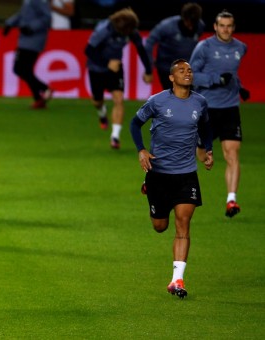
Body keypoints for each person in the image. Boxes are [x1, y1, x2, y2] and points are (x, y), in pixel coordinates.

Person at [129, 59, 214, 299]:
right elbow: (135, 124)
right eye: (181, 71)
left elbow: (206, 126)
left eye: (189, 70)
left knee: (183, 224)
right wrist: (141, 150)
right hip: (159, 172)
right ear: (171, 77)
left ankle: (177, 279)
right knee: (160, 226)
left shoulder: (200, 102)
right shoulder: (157, 101)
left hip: (186, 174)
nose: (187, 73)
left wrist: (207, 149)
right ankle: (149, 188)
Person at [189, 10, 248, 218]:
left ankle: (231, 200)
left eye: (229, 26)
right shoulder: (204, 47)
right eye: (222, 26)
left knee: (232, 153)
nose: (226, 29)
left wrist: (239, 87)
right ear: (215, 27)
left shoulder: (240, 48)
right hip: (208, 109)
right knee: (202, 155)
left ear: (233, 27)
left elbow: (232, 74)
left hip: (231, 108)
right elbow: (191, 75)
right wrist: (215, 79)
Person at [85, 7, 153, 149]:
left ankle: (115, 137)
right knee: (97, 101)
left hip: (116, 68)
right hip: (96, 68)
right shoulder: (104, 30)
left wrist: (148, 70)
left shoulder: (131, 30)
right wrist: (107, 63)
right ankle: (101, 112)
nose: (132, 33)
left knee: (119, 99)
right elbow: (89, 50)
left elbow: (141, 49)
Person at [3, 0, 54, 109]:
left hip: (33, 40)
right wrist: (10, 23)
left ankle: (44, 89)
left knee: (20, 69)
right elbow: (23, 14)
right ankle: (39, 99)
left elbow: (47, 17)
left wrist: (31, 27)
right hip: (25, 40)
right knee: (26, 70)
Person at [145, 2, 204, 91]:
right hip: (167, 68)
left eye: (194, 23)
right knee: (174, 96)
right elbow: (149, 42)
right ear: (183, 18)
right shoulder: (167, 26)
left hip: (187, 68)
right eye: (189, 22)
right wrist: (149, 67)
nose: (191, 27)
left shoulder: (200, 26)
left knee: (190, 97)